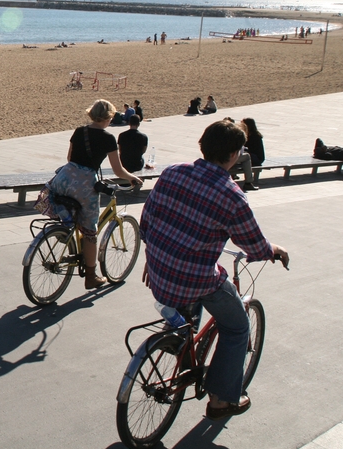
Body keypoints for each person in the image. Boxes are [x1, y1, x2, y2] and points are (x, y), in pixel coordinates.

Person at [141, 120, 289, 420]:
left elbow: (148, 219)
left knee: (188, 310)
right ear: (235, 155)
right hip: (194, 279)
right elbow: (254, 245)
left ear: (202, 145)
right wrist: (274, 250)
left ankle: (181, 345)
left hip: (158, 271)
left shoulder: (173, 172)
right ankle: (221, 400)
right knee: (236, 327)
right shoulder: (231, 195)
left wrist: (153, 256)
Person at [47, 100, 143, 289]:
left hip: (63, 179)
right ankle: (91, 277)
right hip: (84, 186)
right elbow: (118, 170)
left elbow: (69, 158)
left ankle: (64, 230)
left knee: (69, 206)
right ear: (108, 118)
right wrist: (133, 178)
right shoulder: (108, 138)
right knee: (91, 232)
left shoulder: (78, 131)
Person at [241, 118, 265, 183]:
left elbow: (249, 149)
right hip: (252, 155)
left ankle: (248, 180)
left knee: (243, 155)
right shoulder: (248, 134)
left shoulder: (254, 136)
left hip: (257, 157)